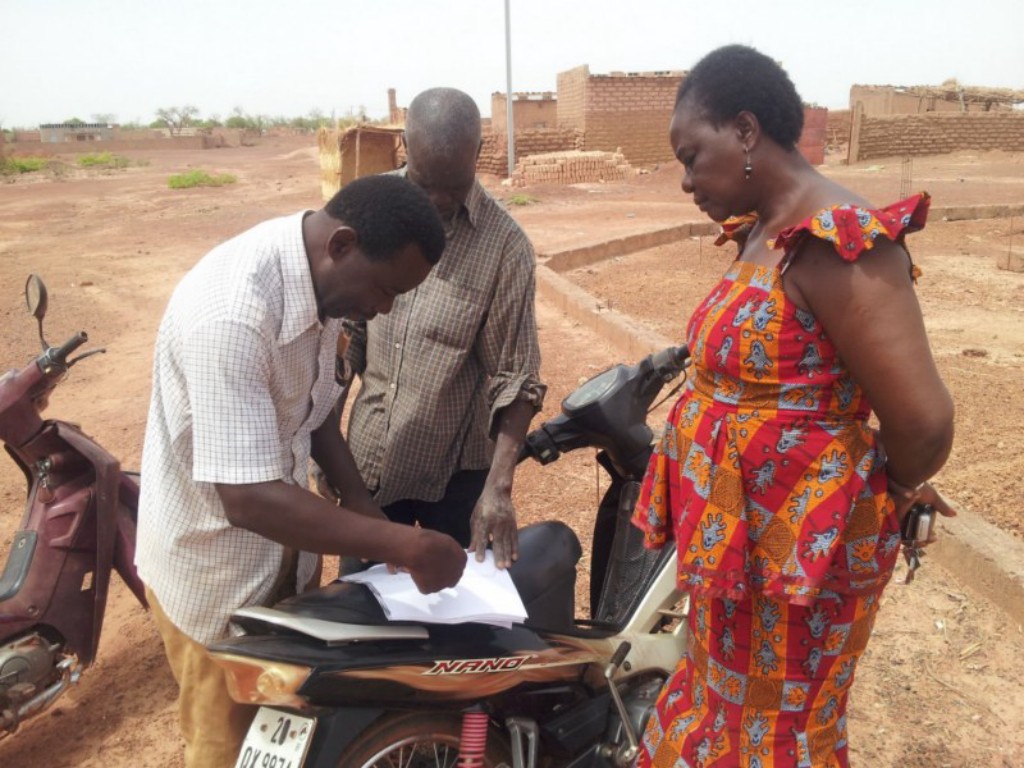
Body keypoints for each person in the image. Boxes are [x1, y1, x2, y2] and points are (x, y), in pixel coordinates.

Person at [631, 45, 955, 767]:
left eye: (692, 156)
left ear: (746, 130)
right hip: (742, 551)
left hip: (800, 562)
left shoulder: (840, 242)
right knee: (723, 714)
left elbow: (924, 422)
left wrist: (884, 490)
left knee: (773, 735)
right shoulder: (763, 233)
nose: (686, 182)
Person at [135, 174, 467, 768]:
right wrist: (408, 543)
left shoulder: (323, 284)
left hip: (283, 561)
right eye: (386, 290)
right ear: (341, 244)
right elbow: (249, 499)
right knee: (227, 747)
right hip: (216, 576)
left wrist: (361, 505)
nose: (384, 308)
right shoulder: (232, 316)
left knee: (288, 733)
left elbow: (314, 416)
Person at [333, 87, 546, 569]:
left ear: (477, 154)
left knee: (453, 623)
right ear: (405, 148)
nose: (437, 202)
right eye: (426, 183)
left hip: (454, 481)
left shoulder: (504, 247)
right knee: (366, 615)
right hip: (370, 464)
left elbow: (516, 377)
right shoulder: (369, 215)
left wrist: (499, 486)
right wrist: (325, 454)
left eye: (454, 186)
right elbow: (343, 342)